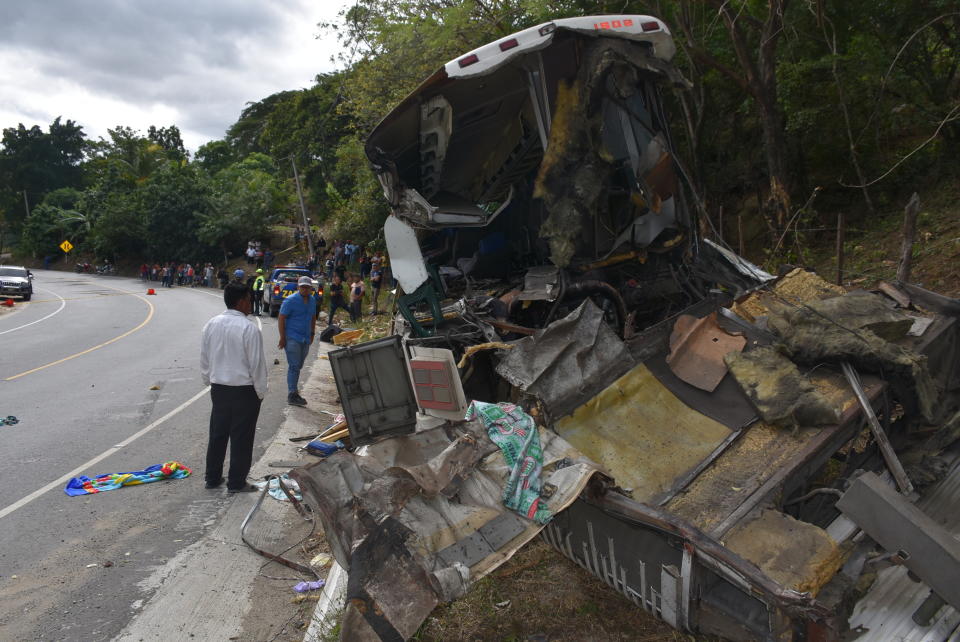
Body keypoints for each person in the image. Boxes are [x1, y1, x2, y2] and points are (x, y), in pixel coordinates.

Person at [199, 282, 267, 493]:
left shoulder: (211, 324)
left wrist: (208, 380)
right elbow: (257, 365)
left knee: (218, 433)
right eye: (249, 299)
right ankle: (236, 482)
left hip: (219, 388)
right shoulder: (249, 329)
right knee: (241, 437)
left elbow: (205, 358)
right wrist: (260, 392)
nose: (251, 304)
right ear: (241, 302)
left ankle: (212, 477)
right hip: (244, 390)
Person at [278, 276, 317, 406]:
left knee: (298, 365)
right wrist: (283, 337)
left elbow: (313, 317)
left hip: (305, 338)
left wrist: (312, 333)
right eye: (303, 287)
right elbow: (281, 318)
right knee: (294, 366)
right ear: (298, 287)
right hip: (292, 337)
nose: (305, 289)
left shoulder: (312, 300)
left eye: (307, 287)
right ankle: (292, 394)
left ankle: (294, 392)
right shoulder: (290, 300)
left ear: (311, 288)